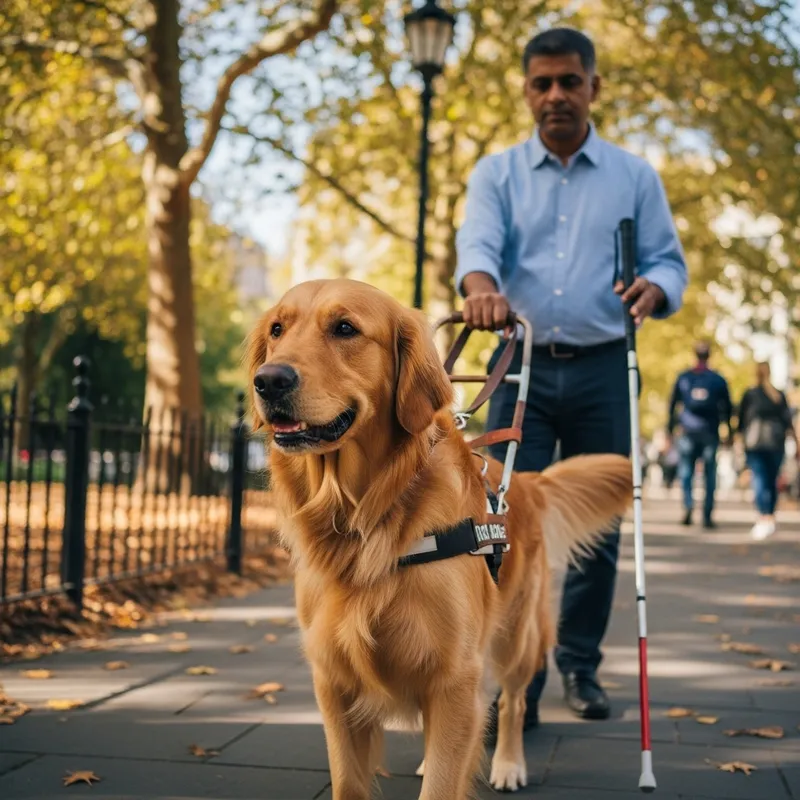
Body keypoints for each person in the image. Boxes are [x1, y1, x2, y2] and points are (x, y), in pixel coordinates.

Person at [454, 27, 688, 731]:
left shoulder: (634, 176)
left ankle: (578, 666)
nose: (555, 94)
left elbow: (670, 263)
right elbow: (477, 248)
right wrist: (481, 288)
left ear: (594, 87)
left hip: (602, 368)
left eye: (569, 81)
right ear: (528, 91)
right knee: (492, 525)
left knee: (599, 530)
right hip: (516, 368)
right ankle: (500, 678)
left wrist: (656, 287)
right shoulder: (495, 174)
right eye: (542, 83)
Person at [666, 341, 733, 528]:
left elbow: (672, 405)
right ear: (709, 356)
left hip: (688, 431)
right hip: (710, 431)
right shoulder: (717, 379)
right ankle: (707, 513)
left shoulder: (685, 377)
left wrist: (670, 429)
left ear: (695, 355)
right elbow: (727, 407)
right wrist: (730, 431)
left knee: (686, 471)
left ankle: (688, 504)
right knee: (709, 474)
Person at [737, 362, 799, 540]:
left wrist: (738, 441)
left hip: (756, 443)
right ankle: (769, 516)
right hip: (775, 442)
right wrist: (796, 441)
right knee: (770, 480)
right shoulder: (778, 395)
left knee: (760, 479)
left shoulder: (750, 394)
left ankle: (763, 516)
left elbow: (741, 422)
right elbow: (788, 421)